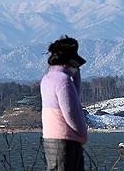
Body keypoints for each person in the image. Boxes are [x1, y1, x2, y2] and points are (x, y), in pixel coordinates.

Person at [41, 35, 87, 171]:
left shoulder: (48, 78)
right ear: (70, 61)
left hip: (51, 139)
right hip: (66, 141)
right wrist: (82, 134)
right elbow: (71, 112)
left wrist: (76, 79)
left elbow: (73, 101)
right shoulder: (63, 81)